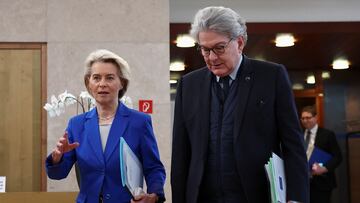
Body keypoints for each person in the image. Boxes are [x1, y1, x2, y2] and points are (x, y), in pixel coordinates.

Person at [171, 6, 309, 203]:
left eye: (219, 48)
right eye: (205, 49)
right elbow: (181, 153)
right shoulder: (189, 84)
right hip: (202, 196)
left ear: (240, 43)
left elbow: (293, 144)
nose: (211, 58)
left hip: (256, 195)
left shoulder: (271, 77)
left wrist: (297, 198)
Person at [46, 49, 166, 203]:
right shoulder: (76, 125)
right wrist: (57, 158)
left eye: (109, 78)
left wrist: (154, 195)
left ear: (121, 82)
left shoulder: (139, 122)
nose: (102, 84)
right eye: (96, 78)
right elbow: (58, 174)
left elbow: (154, 168)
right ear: (89, 83)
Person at [300, 106, 342, 203]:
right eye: (303, 118)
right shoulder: (299, 135)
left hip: (322, 183)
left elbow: (338, 157)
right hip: (303, 182)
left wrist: (323, 168)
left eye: (308, 117)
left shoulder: (327, 134)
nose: (305, 121)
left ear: (316, 117)